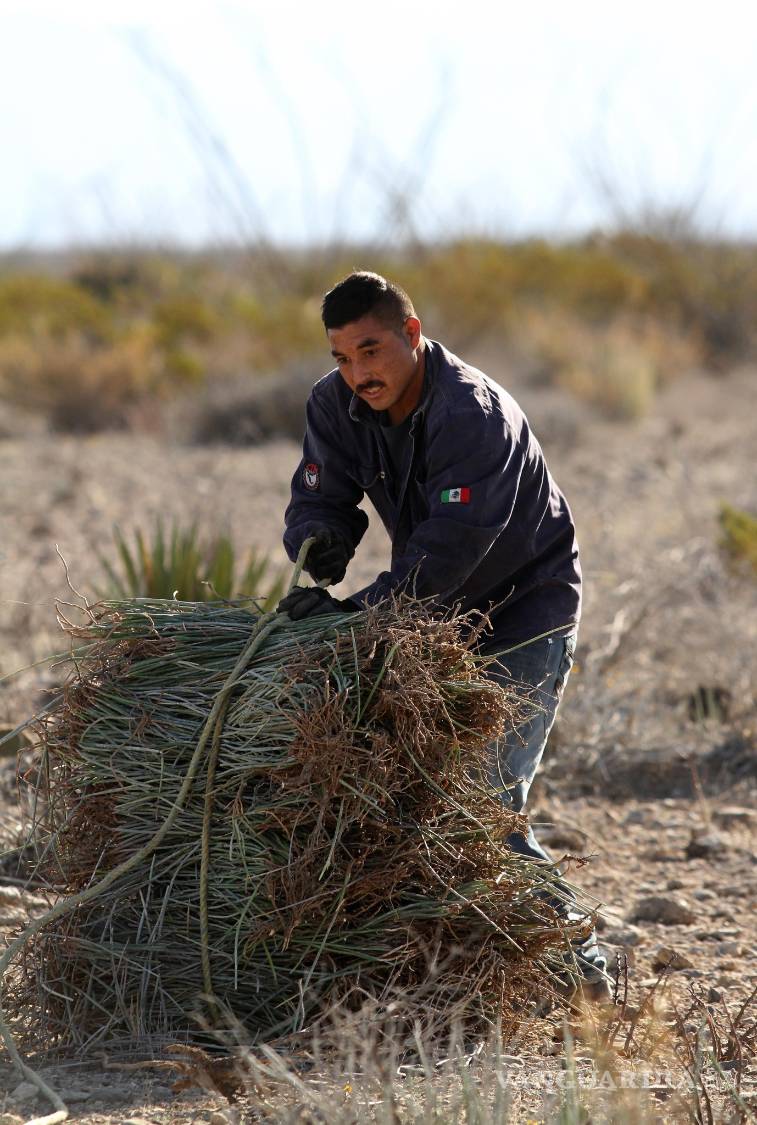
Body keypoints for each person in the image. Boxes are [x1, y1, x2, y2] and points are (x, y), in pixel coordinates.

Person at [279, 270, 609, 1002]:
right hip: (429, 617)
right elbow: (317, 493)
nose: (358, 373)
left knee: (483, 801)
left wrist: (356, 616)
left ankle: (587, 980)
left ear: (412, 333)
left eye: (371, 350)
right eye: (341, 357)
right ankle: (459, 984)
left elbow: (450, 554)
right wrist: (319, 540)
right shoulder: (333, 404)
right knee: (405, 797)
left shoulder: (474, 414)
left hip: (523, 610)